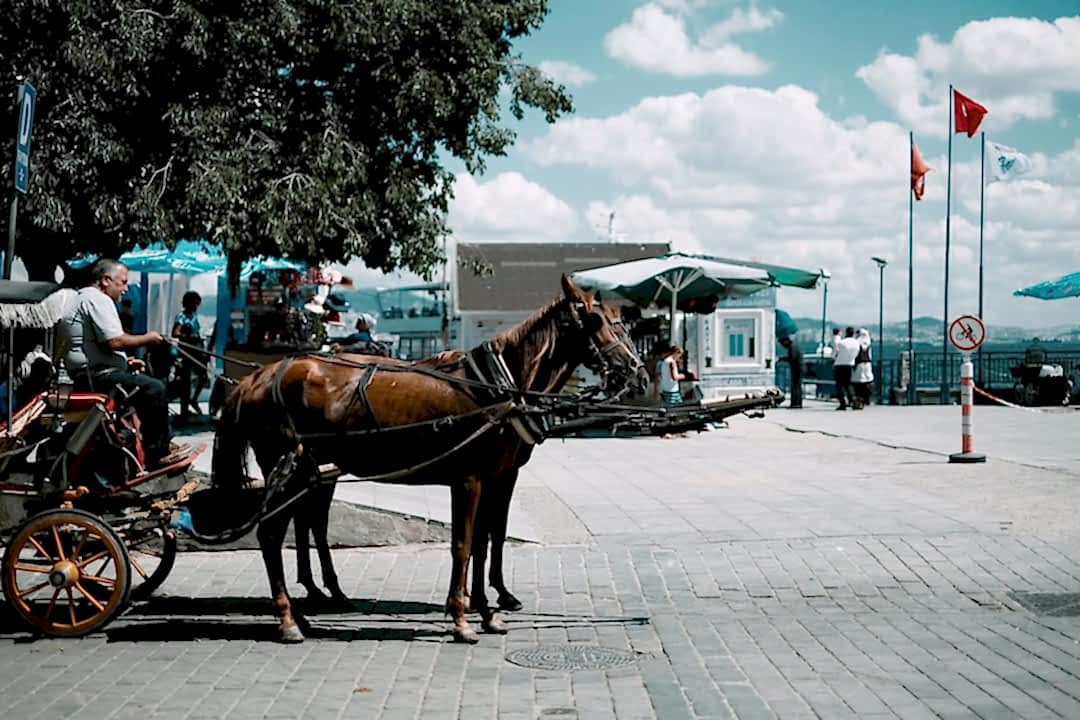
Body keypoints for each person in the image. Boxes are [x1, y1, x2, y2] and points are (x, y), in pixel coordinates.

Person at [59, 258, 182, 469]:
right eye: (122, 282)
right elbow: (115, 341)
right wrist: (148, 338)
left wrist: (125, 363)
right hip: (97, 376)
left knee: (146, 387)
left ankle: (134, 446)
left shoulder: (82, 298)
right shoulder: (97, 299)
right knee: (155, 389)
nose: (126, 289)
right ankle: (158, 454)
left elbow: (100, 344)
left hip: (90, 373)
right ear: (106, 280)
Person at [172, 291, 208, 422]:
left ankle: (194, 400)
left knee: (203, 377)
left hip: (197, 351)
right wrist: (189, 338)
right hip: (187, 352)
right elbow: (175, 333)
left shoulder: (194, 315)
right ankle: (184, 411)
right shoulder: (182, 316)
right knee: (185, 383)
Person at [832, 327, 860, 410]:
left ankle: (842, 403)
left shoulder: (842, 343)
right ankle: (852, 401)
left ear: (846, 333)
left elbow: (836, 352)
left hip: (839, 364)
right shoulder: (856, 343)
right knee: (848, 384)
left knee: (839, 385)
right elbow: (857, 353)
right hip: (850, 364)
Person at [851, 328, 874, 409]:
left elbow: (854, 354)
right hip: (867, 364)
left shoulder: (857, 342)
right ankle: (866, 399)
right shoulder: (868, 342)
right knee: (867, 381)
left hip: (859, 364)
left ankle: (859, 399)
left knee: (858, 383)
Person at [778, 336, 803, 408]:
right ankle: (797, 403)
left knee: (795, 386)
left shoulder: (792, 347)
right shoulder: (794, 346)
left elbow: (792, 358)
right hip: (798, 368)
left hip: (797, 369)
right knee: (797, 385)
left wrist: (782, 359)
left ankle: (795, 403)